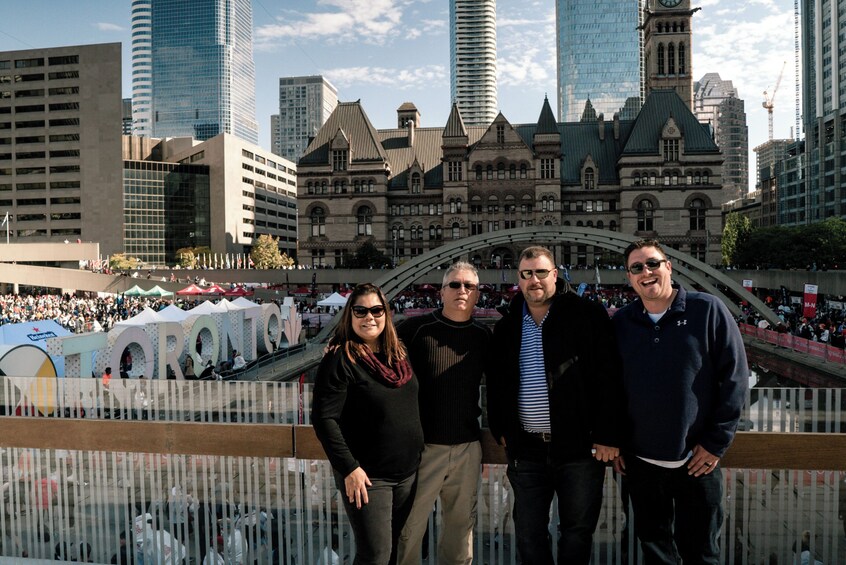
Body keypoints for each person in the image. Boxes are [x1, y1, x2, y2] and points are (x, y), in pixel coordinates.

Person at [612, 239, 749, 564]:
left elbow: (736, 379)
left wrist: (716, 443)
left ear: (669, 267)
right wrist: (613, 439)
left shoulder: (708, 309)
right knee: (654, 553)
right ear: (630, 278)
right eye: (636, 268)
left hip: (698, 463)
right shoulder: (621, 323)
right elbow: (609, 387)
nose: (646, 272)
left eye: (653, 264)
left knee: (702, 554)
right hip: (640, 464)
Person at [486, 245, 624, 564]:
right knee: (528, 532)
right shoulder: (507, 326)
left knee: (577, 531)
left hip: (579, 449)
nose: (534, 280)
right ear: (518, 279)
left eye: (541, 272)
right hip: (527, 449)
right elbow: (497, 382)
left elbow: (609, 377)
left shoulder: (587, 315)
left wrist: (608, 434)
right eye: (527, 274)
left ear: (555, 274)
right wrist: (501, 426)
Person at [312, 283, 424, 565]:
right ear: (350, 315)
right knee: (375, 555)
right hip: (368, 478)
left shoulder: (399, 354)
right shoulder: (341, 359)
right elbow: (324, 419)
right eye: (360, 310)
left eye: (376, 310)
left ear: (387, 314)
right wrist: (349, 468)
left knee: (394, 549)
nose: (369, 317)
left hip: (408, 473)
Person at [396, 261, 492, 565]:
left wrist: (489, 442)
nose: (462, 290)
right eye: (454, 284)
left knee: (460, 533)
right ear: (441, 291)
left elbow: (498, 390)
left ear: (477, 294)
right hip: (424, 449)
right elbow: (378, 361)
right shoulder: (415, 329)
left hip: (466, 447)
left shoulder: (483, 336)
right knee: (409, 531)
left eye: (469, 286)